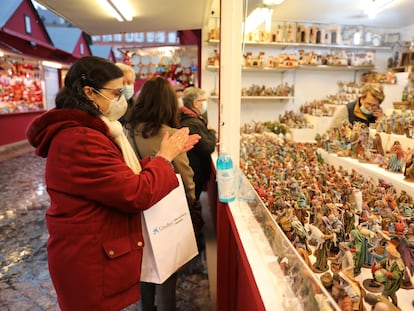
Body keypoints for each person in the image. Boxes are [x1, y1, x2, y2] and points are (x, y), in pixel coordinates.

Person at [25, 56, 200, 311]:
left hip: (92, 252)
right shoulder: (80, 139)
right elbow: (135, 192)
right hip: (88, 261)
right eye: (116, 92)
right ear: (89, 93)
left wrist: (160, 158)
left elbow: (118, 178)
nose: (123, 98)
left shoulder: (93, 132)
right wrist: (165, 158)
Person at [124, 76, 197, 311]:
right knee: (167, 271)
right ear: (168, 103)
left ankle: (146, 308)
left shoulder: (128, 131)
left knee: (145, 267)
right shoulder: (172, 135)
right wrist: (192, 201)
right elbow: (185, 175)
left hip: (137, 207)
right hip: (165, 207)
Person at [179, 86, 217, 202]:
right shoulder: (192, 123)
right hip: (194, 172)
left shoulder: (191, 119)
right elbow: (208, 147)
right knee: (193, 201)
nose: (205, 103)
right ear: (196, 104)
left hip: (195, 171)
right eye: (203, 100)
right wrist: (211, 132)